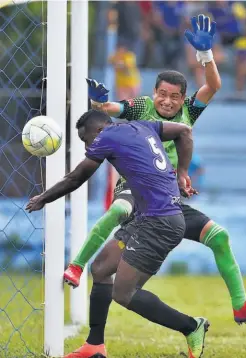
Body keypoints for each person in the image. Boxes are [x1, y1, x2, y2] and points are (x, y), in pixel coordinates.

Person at [65, 14, 246, 330]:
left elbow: (214, 85)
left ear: (182, 99)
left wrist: (205, 56)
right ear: (154, 92)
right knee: (119, 213)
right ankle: (76, 266)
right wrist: (100, 102)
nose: (166, 100)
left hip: (167, 202)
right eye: (161, 94)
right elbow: (112, 109)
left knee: (219, 238)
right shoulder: (142, 107)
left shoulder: (188, 114)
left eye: (174, 96)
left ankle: (240, 306)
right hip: (134, 190)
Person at [26, 109, 209, 358]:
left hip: (160, 224)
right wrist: (182, 172)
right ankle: (94, 346)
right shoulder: (142, 126)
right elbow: (184, 132)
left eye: (86, 140)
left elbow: (76, 178)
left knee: (124, 294)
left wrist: (42, 198)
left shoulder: (106, 137)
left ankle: (192, 326)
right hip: (147, 217)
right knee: (100, 268)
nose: (88, 147)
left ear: (99, 130)